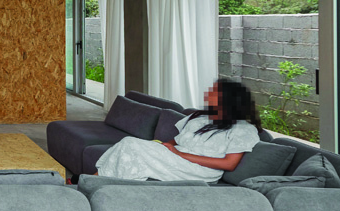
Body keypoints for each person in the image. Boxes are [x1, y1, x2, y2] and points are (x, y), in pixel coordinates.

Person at [89, 79, 262, 184]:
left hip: (198, 170)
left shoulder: (243, 129)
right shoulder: (200, 117)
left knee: (131, 145)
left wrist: (179, 154)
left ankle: (91, 184)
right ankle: (92, 183)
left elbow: (228, 164)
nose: (209, 94)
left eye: (214, 93)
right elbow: (176, 141)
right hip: (176, 157)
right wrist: (164, 147)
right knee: (129, 143)